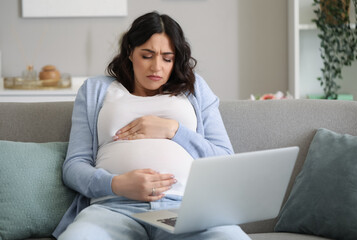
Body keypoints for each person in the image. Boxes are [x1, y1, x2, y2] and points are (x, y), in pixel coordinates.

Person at [54, 11, 251, 240]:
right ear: (130, 52)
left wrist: (173, 130)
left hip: (185, 211)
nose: (157, 67)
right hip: (113, 209)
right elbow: (74, 166)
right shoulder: (95, 90)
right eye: (147, 56)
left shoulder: (195, 89)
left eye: (167, 58)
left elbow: (225, 159)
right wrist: (116, 184)